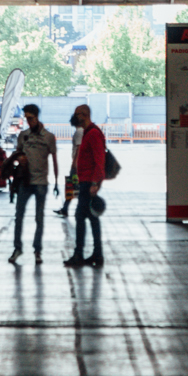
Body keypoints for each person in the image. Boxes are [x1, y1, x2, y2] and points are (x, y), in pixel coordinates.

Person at [8, 103, 60, 265]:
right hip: (25, 182)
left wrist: (57, 182)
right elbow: (17, 155)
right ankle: (17, 248)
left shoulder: (48, 137)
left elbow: (54, 160)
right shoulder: (23, 136)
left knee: (39, 218)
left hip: (41, 183)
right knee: (19, 216)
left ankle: (37, 250)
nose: (28, 121)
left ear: (37, 117)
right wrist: (18, 159)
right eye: (26, 118)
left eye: (31, 118)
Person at [64, 103, 106, 269]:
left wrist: (95, 183)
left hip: (89, 183)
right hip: (85, 182)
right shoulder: (88, 133)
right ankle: (97, 254)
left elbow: (99, 160)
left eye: (77, 114)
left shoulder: (94, 134)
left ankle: (79, 255)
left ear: (85, 115)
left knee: (80, 218)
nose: (75, 117)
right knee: (92, 219)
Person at [54, 114, 83, 217]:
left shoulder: (79, 132)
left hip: (77, 166)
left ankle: (71, 209)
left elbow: (79, 148)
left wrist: (74, 164)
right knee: (71, 187)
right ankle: (65, 208)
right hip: (78, 165)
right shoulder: (80, 131)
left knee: (73, 186)